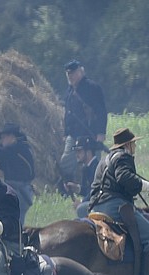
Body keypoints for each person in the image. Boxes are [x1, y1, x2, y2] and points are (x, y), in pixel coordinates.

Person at [88, 128, 149, 275]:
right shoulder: (124, 157)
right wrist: (147, 186)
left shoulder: (104, 159)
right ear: (128, 144)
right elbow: (125, 178)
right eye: (134, 143)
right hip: (115, 206)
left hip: (96, 207)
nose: (135, 146)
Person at [59, 59, 107, 190]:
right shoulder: (69, 91)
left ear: (81, 72)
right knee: (66, 162)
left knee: (94, 164)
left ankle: (96, 188)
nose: (70, 76)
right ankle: (67, 187)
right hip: (74, 134)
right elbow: (68, 114)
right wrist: (66, 132)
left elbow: (101, 111)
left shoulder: (92, 88)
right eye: (68, 74)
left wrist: (101, 133)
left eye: (73, 73)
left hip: (89, 134)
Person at [70, 136, 103, 217]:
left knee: (81, 209)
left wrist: (82, 202)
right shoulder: (87, 168)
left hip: (101, 203)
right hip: (95, 202)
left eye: (79, 151)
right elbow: (89, 189)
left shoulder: (96, 167)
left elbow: (96, 191)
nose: (77, 154)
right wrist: (78, 188)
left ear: (88, 152)